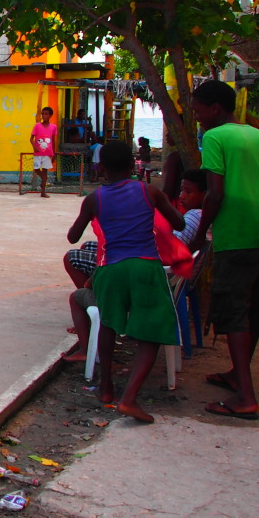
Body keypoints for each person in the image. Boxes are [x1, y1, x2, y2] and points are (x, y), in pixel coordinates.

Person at [189, 79, 259, 421]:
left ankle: (245, 397)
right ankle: (237, 373)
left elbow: (214, 193)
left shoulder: (215, 137)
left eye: (199, 111)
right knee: (257, 308)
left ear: (214, 108)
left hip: (238, 235)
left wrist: (200, 233)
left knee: (232, 310)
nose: (197, 117)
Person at [66, 139, 185, 423]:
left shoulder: (94, 199)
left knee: (107, 324)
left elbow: (73, 237)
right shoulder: (149, 191)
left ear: (102, 168)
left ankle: (106, 387)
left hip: (111, 268)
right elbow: (178, 223)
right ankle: (130, 398)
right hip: (145, 265)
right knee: (151, 332)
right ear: (133, 165)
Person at [29, 107, 57, 197]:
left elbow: (53, 140)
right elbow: (31, 139)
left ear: (50, 115)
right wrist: (35, 146)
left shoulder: (53, 127)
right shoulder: (37, 126)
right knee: (37, 169)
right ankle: (44, 179)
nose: (44, 116)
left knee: (45, 171)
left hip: (47, 153)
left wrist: (54, 153)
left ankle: (43, 192)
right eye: (43, 114)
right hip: (38, 152)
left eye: (46, 114)